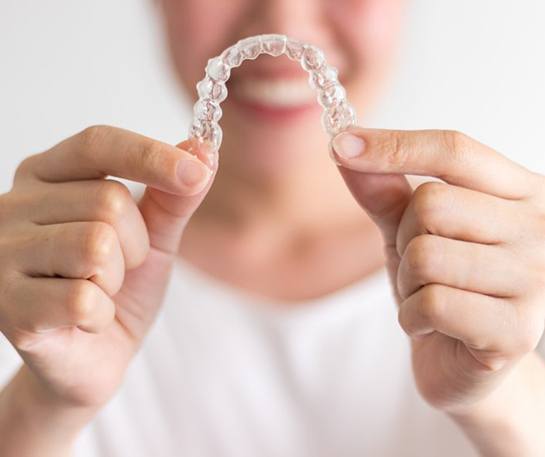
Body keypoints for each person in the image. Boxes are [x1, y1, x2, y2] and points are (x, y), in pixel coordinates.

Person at [1, 0, 545, 455]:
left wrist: (504, 396)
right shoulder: (40, 290)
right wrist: (41, 406)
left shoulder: (520, 281)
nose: (282, 20)